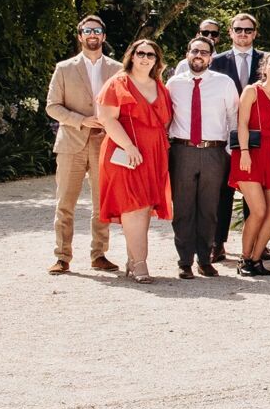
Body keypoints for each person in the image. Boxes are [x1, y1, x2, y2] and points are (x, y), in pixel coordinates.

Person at [44, 15, 122, 274]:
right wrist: (81, 120)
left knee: (103, 203)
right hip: (71, 142)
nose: (92, 34)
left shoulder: (118, 69)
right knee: (65, 202)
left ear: (103, 36)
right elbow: (52, 106)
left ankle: (99, 254)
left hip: (106, 143)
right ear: (80, 36)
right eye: (87, 30)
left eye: (97, 30)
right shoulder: (64, 68)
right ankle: (62, 256)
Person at [93, 39, 174, 284]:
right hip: (125, 153)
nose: (145, 58)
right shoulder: (118, 83)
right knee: (133, 205)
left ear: (157, 60)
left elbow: (165, 122)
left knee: (145, 207)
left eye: (151, 54)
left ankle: (132, 258)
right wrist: (129, 146)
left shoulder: (160, 86)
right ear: (132, 55)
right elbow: (107, 119)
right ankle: (141, 263)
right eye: (140, 53)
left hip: (153, 154)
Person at [166, 36, 237, 278]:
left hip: (214, 151)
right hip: (182, 150)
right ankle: (184, 260)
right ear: (187, 54)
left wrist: (228, 151)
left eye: (204, 52)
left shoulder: (224, 83)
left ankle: (205, 258)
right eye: (194, 51)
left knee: (209, 207)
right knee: (183, 207)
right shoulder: (174, 83)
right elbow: (165, 117)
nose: (199, 55)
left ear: (211, 57)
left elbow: (233, 117)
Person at [230, 51, 270, 277]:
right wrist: (244, 152)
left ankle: (256, 260)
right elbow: (242, 123)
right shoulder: (252, 91)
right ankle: (244, 258)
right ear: (264, 68)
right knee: (258, 210)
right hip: (249, 153)